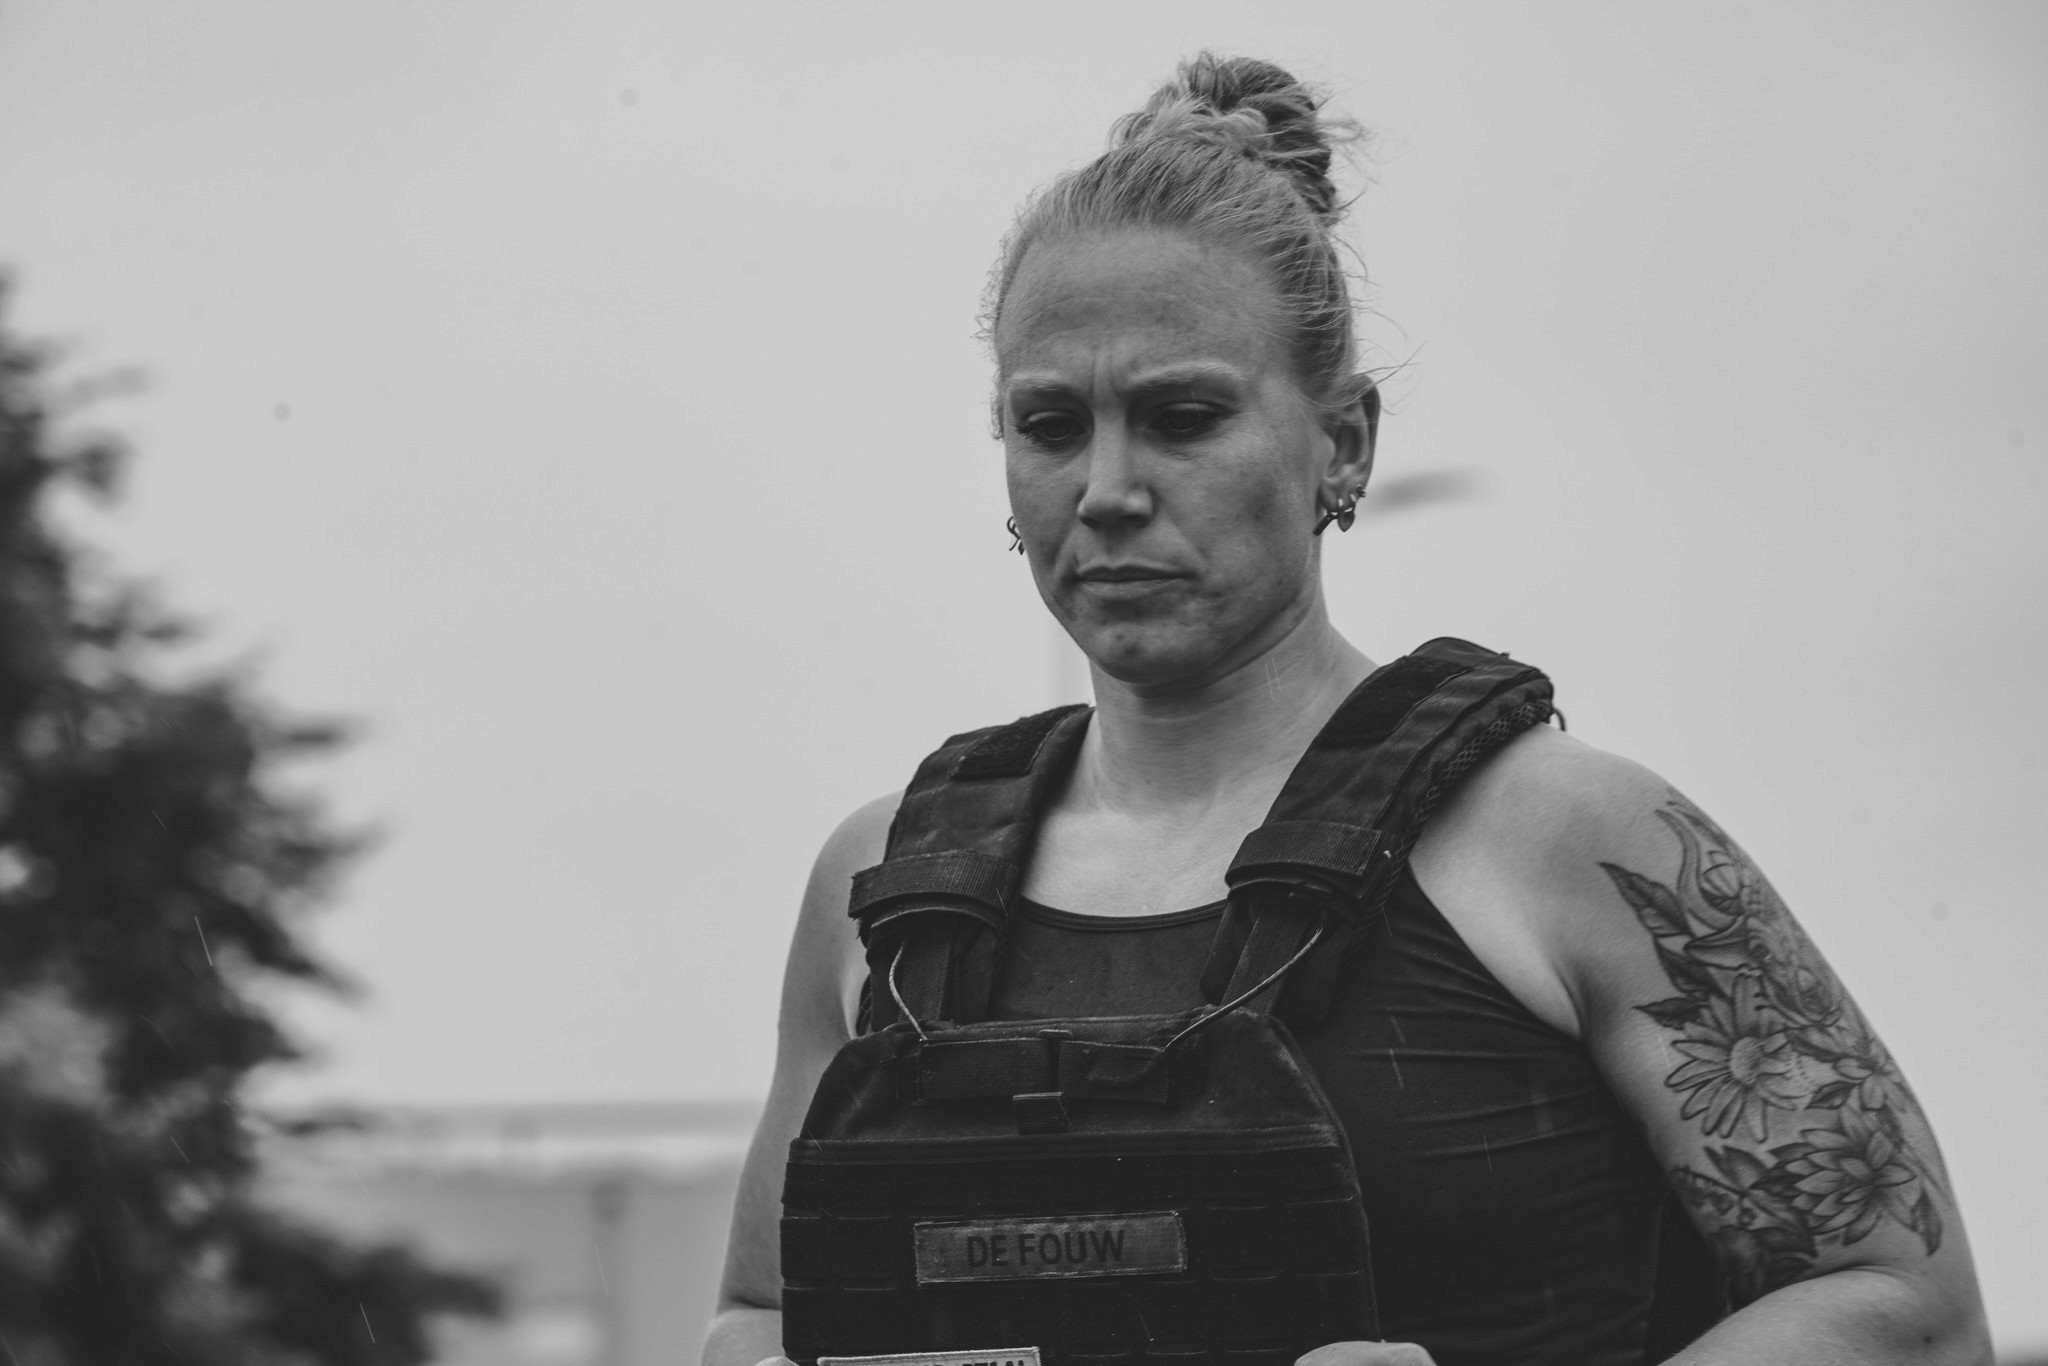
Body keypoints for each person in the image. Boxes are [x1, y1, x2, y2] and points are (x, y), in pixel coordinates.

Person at [704, 53, 1991, 1366]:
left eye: (1182, 414)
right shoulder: (881, 887)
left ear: (1347, 444)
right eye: (1048, 423)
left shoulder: (1575, 842)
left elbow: (1908, 1310)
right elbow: (756, 1318)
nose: (1105, 487)